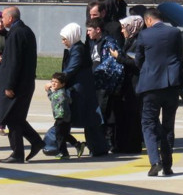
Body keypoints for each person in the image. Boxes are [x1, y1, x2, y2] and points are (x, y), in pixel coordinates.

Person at [0, 6, 44, 164]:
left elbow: (14, 62)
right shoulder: (26, 31)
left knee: (11, 118)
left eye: (4, 17)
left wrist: (9, 86)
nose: (2, 20)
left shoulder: (16, 33)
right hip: (25, 84)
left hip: (16, 86)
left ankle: (18, 153)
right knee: (17, 118)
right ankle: (35, 142)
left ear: (11, 18)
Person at [134, 8, 183, 176]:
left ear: (148, 20)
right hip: (171, 85)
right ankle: (168, 165)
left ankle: (155, 161)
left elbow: (138, 59)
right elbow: (179, 55)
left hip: (151, 85)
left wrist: (147, 71)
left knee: (148, 123)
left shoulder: (145, 35)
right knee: (169, 125)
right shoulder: (175, 32)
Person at [60, 22, 109, 157]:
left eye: (65, 38)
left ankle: (57, 146)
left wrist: (57, 80)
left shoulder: (78, 50)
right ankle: (96, 148)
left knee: (64, 120)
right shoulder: (77, 48)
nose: (63, 42)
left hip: (80, 91)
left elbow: (71, 69)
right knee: (89, 121)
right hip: (81, 90)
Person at [86, 17, 123, 152]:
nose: (88, 33)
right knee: (98, 114)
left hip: (105, 85)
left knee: (106, 114)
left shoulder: (109, 43)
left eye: (90, 30)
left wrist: (98, 75)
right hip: (95, 84)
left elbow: (112, 64)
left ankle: (108, 143)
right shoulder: (93, 43)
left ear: (98, 30)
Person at [110, 15, 145, 153]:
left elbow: (136, 63)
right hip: (128, 83)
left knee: (133, 116)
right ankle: (124, 144)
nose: (122, 30)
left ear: (132, 27)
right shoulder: (129, 40)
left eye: (124, 27)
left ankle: (133, 145)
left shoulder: (138, 42)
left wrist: (118, 57)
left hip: (135, 84)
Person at [43, 72, 83, 159]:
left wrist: (49, 90)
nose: (53, 83)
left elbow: (58, 99)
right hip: (62, 117)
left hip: (62, 118)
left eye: (56, 82)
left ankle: (63, 153)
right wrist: (49, 91)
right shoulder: (59, 92)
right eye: (52, 81)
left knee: (59, 136)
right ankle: (77, 145)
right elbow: (52, 97)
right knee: (64, 134)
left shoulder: (61, 94)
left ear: (63, 84)